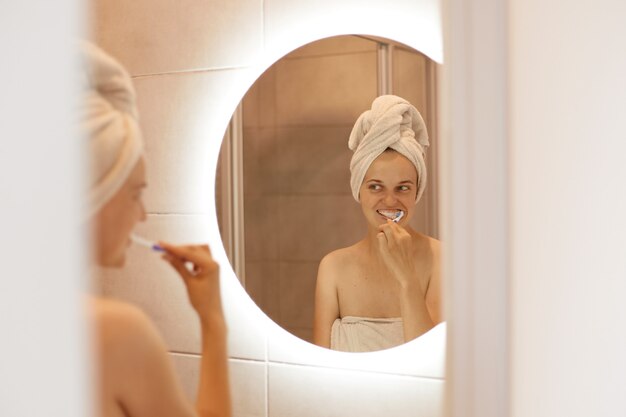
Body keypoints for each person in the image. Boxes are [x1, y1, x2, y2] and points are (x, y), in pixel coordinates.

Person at [81, 41, 231, 417]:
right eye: (136, 194)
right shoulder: (113, 333)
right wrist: (213, 322)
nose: (143, 215)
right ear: (93, 195)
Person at [313, 95, 442, 353]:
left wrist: (406, 277)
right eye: (375, 187)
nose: (390, 200)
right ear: (358, 191)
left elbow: (431, 362)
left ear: (416, 192)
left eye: (403, 188)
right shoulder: (333, 268)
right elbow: (321, 371)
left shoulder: (441, 259)